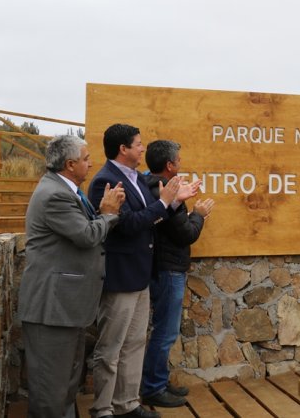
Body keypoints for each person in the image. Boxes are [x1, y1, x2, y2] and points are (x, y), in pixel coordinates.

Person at [88, 124, 198, 418]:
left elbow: (154, 216)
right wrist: (165, 202)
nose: (142, 148)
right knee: (111, 348)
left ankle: (127, 404)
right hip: (120, 276)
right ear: (123, 149)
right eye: (138, 144)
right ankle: (102, 410)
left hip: (140, 275)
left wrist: (174, 201)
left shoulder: (135, 177)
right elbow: (128, 225)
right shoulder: (105, 181)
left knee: (135, 344)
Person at [18, 135, 125, 418]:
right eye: (86, 159)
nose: (91, 164)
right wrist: (109, 213)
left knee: (65, 386)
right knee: (50, 393)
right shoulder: (55, 195)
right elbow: (87, 235)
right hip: (52, 310)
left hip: (65, 308)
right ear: (69, 164)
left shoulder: (66, 190)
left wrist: (102, 212)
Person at [141, 140, 214, 407]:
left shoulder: (151, 185)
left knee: (163, 330)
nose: (181, 163)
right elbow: (184, 233)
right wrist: (199, 214)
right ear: (170, 165)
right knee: (165, 331)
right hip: (168, 269)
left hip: (164, 267)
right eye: (179, 160)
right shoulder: (163, 192)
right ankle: (153, 387)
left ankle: (157, 380)